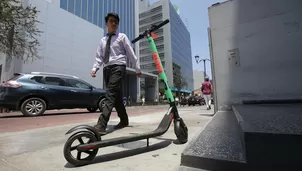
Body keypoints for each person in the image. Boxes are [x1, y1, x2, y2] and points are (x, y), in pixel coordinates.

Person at [91, 13, 141, 134]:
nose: (114, 24)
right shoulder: (103, 40)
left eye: (116, 22)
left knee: (110, 94)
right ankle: (124, 120)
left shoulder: (122, 37)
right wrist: (95, 68)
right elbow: (100, 57)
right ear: (106, 23)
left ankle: (101, 124)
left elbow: (130, 53)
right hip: (107, 69)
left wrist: (137, 68)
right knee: (116, 97)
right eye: (111, 21)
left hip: (118, 67)